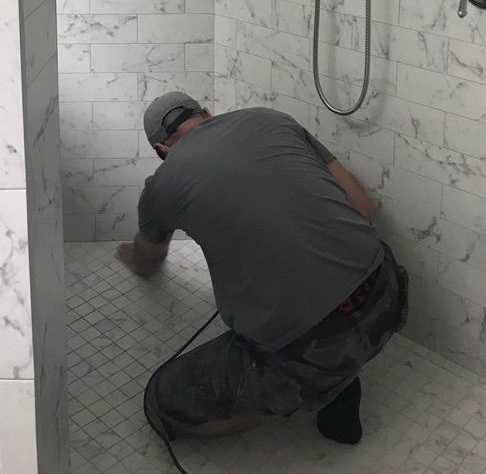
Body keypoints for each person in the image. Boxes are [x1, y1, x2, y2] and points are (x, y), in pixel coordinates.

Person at [116, 91, 408, 446]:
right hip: (387, 291)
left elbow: (148, 261)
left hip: (314, 342)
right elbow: (362, 208)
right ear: (206, 112)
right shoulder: (272, 118)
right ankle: (336, 370)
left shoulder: (160, 186)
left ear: (161, 149)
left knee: (163, 403)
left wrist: (129, 255)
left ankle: (322, 386)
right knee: (324, 325)